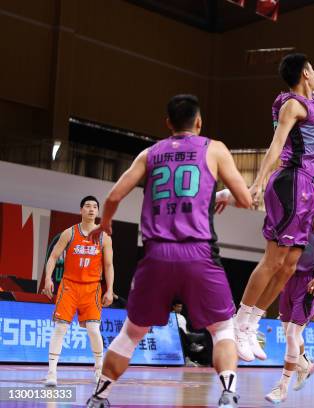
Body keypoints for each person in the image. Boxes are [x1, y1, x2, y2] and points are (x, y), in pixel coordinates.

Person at [86, 94, 252, 408]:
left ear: (167, 124)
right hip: (199, 253)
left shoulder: (150, 154)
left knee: (131, 332)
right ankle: (228, 393)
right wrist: (227, 194)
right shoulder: (213, 148)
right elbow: (246, 199)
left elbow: (113, 196)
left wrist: (105, 224)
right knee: (222, 328)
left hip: (156, 255)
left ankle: (99, 396)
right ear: (199, 122)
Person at [231, 27, 314, 362]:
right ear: (305, 73)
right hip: (290, 183)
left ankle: (253, 320)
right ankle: (239, 322)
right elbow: (276, 144)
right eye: (313, 68)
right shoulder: (292, 106)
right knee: (274, 261)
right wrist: (257, 182)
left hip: (308, 188)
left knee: (288, 266)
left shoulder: (312, 100)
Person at [267, 212, 314, 403]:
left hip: (309, 282)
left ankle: (282, 387)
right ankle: (305, 364)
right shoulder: (285, 217)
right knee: (290, 334)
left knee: (292, 335)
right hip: (286, 280)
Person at [42, 196, 114, 387]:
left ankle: (99, 370)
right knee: (60, 328)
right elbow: (53, 256)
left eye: (95, 207)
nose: (91, 209)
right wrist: (48, 278)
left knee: (93, 329)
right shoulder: (69, 233)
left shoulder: (104, 237)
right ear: (81, 210)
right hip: (69, 286)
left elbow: (108, 265)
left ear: (98, 212)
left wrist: (110, 289)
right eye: (88, 206)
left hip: (92, 288)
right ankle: (51, 373)